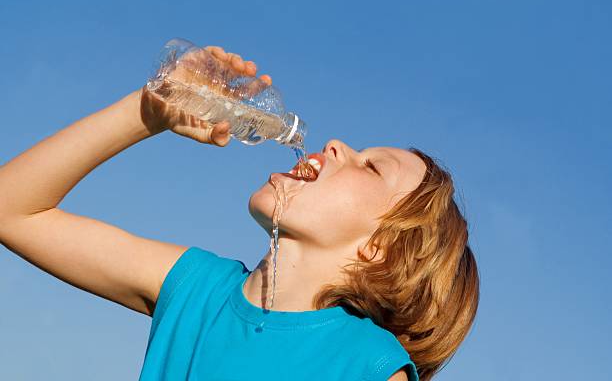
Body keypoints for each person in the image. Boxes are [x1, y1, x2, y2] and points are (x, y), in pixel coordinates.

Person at [0, 45, 479, 381]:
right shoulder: (196, 287)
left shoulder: (367, 366)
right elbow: (12, 210)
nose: (337, 145)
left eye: (371, 167)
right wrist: (149, 110)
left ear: (380, 248)